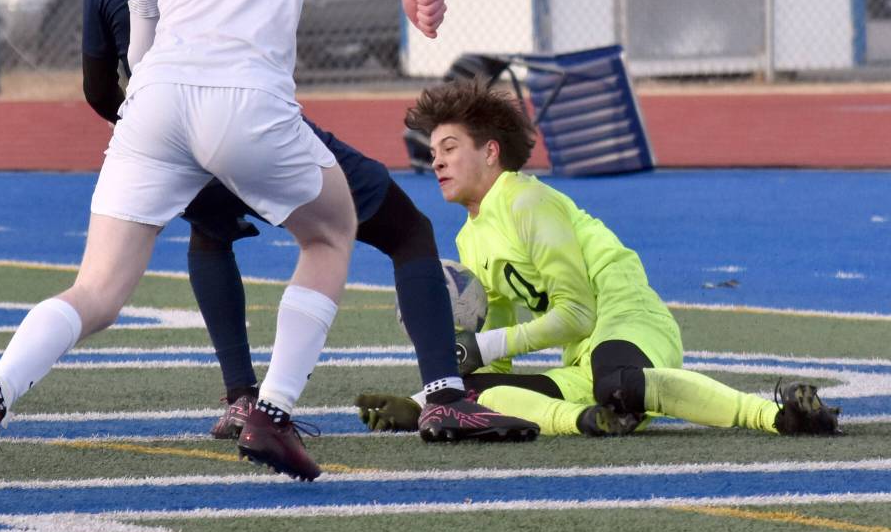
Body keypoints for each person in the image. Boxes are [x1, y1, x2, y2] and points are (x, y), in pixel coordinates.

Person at [0, 0, 450, 506]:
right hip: (242, 97)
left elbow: (141, 46)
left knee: (97, 290)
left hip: (154, 103)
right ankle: (271, 412)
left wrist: (165, 126)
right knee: (332, 231)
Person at [81, 0, 536, 446]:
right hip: (252, 115)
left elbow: (99, 86)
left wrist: (150, 144)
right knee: (404, 232)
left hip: (159, 132)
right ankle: (441, 392)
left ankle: (239, 398)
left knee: (210, 239)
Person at [355, 80, 842, 439]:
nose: (435, 161)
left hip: (627, 318)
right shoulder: (471, 238)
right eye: (432, 151)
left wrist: (478, 346)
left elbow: (579, 313)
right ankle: (588, 421)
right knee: (479, 393)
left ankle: (777, 416)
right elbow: (493, 355)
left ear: (490, 152)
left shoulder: (526, 201)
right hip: (580, 359)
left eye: (449, 148)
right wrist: (426, 402)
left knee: (617, 383)